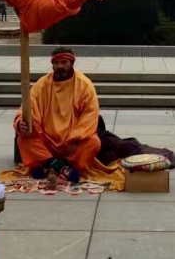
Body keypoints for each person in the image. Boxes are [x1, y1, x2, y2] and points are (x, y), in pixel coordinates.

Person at [12, 47, 124, 187]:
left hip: (71, 144)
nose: (60, 66)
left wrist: (76, 137)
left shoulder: (84, 84)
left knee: (93, 142)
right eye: (57, 63)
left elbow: (90, 115)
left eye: (64, 62)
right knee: (24, 140)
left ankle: (53, 166)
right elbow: (28, 107)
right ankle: (62, 168)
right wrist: (21, 121)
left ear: (71, 63)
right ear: (52, 64)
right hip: (47, 141)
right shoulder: (42, 84)